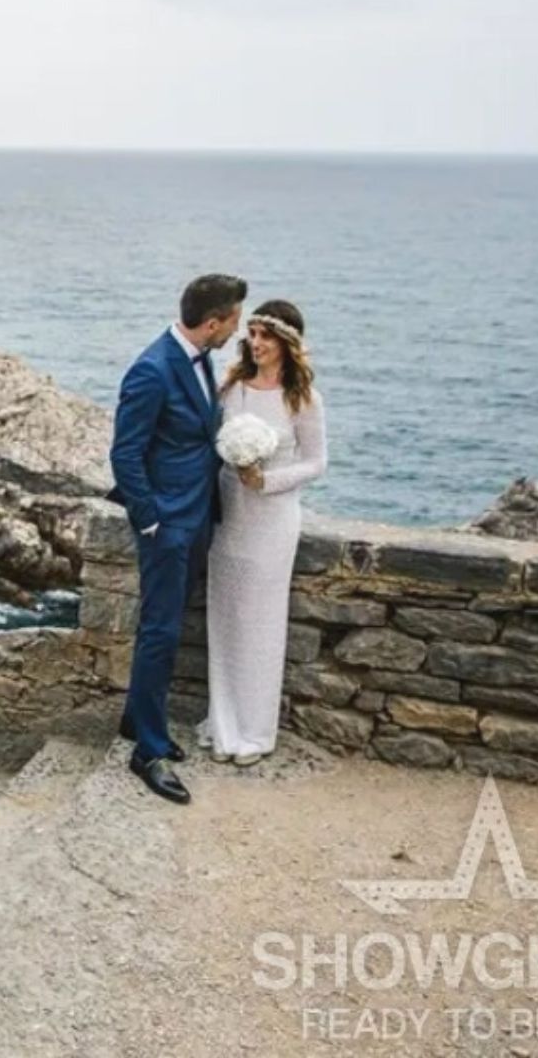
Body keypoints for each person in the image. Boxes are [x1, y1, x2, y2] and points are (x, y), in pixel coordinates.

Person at [107, 274, 247, 805]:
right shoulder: (152, 369)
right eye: (232, 321)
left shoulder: (197, 357)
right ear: (212, 323)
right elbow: (126, 454)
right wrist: (151, 521)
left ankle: (135, 720)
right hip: (167, 523)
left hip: (196, 515)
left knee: (164, 624)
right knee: (162, 630)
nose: (234, 330)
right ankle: (148, 751)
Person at [201, 300, 328, 765]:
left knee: (260, 626)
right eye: (252, 333)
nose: (256, 343)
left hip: (272, 520)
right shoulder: (231, 387)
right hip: (228, 514)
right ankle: (222, 723)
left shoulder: (303, 398)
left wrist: (267, 481)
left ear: (287, 343)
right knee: (224, 619)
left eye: (266, 336)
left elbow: (317, 462)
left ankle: (254, 733)